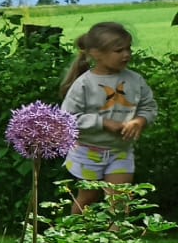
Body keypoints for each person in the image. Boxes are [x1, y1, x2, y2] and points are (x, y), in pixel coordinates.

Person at [60, 21, 159, 213]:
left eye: (128, 49)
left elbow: (149, 106)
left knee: (121, 200)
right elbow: (68, 118)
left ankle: (117, 242)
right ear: (96, 53)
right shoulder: (84, 84)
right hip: (88, 152)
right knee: (88, 197)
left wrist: (140, 121)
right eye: (119, 50)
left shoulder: (135, 80)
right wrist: (103, 123)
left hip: (120, 150)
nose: (127, 54)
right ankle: (73, 238)